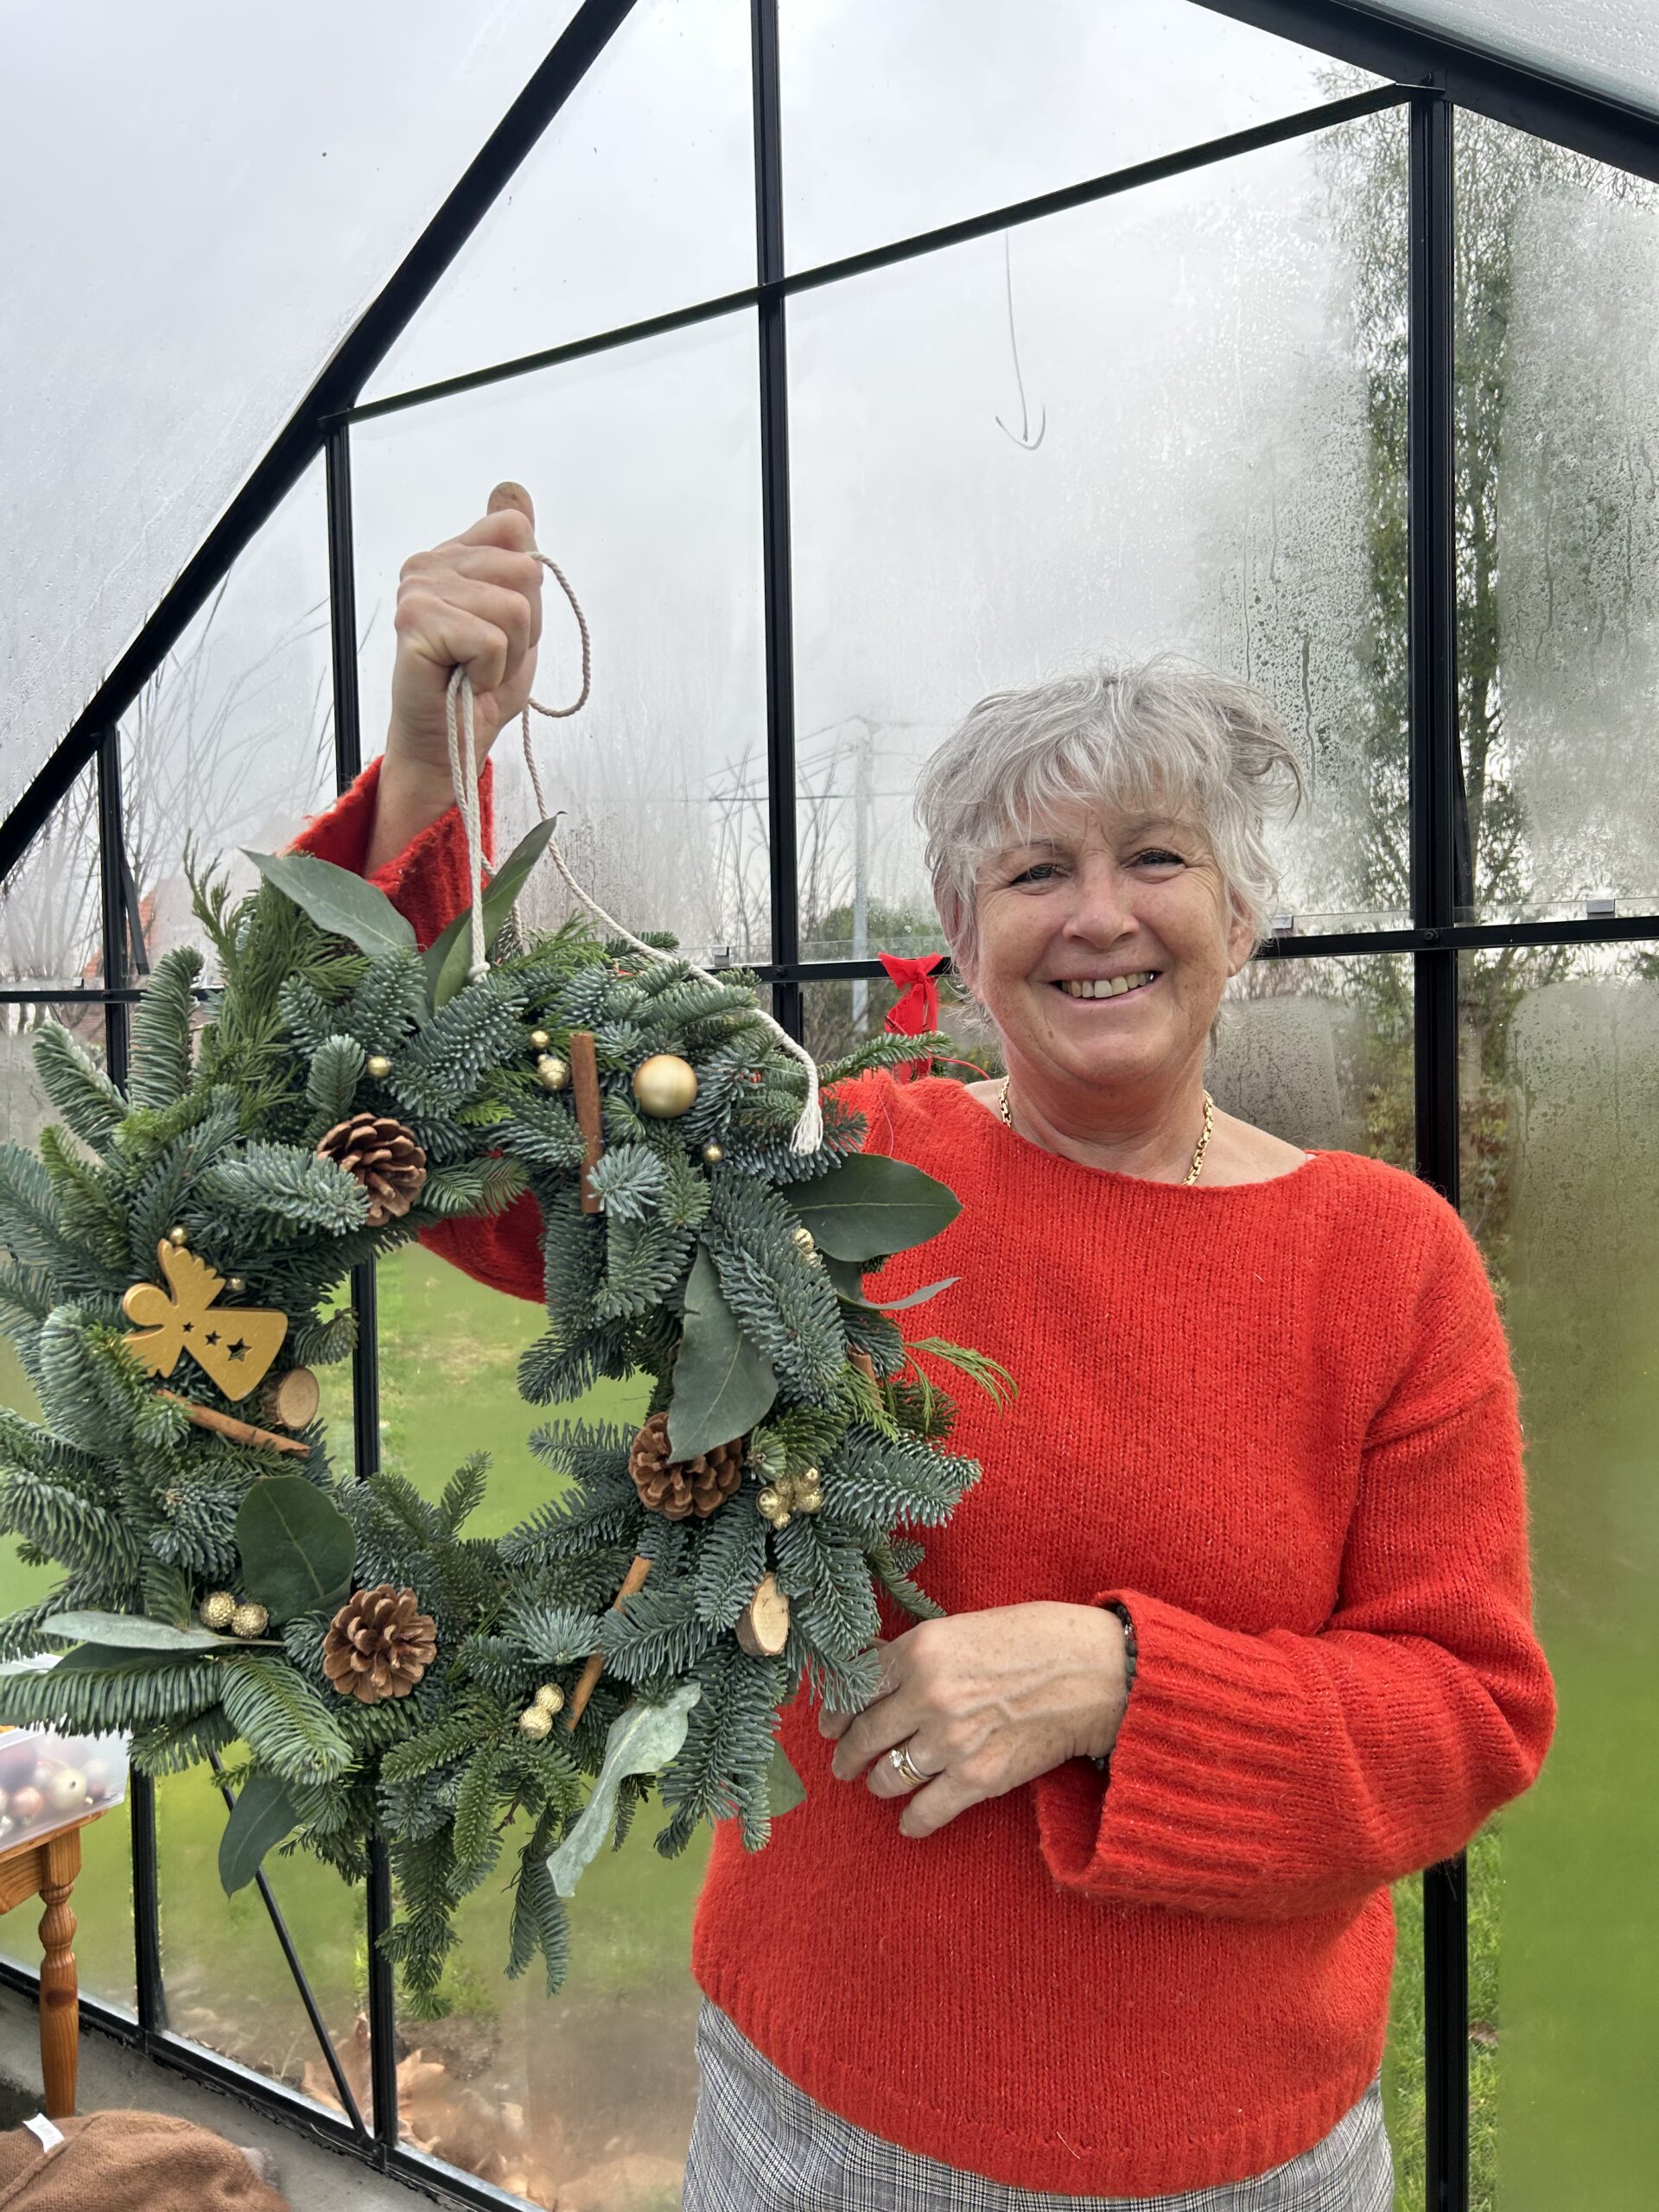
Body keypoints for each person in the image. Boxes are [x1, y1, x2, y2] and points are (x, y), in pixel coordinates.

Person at [295, 484, 1555, 2210]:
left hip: (1241, 2160)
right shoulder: (834, 1168)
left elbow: (1464, 1716)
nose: (1097, 912)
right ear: (963, 941)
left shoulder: (1386, 1261)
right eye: (1035, 870)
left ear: (1242, 918)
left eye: (1156, 858)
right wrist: (428, 773)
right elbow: (452, 1153)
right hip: (820, 2129)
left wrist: (1120, 1682)